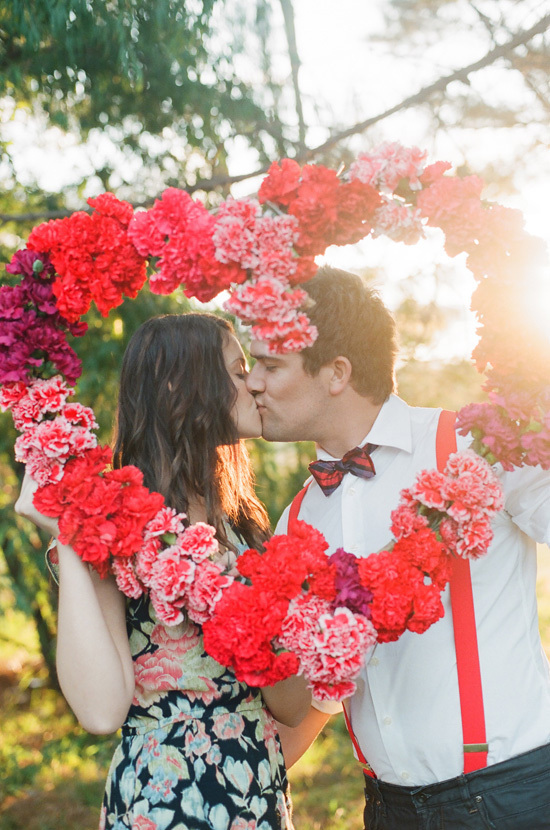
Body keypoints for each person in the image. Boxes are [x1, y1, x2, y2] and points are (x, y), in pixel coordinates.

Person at [246, 265, 550, 830]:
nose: (253, 383)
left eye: (270, 365)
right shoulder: (297, 521)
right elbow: (317, 694)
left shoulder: (475, 446)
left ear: (336, 372)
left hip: (516, 797)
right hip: (387, 811)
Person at [16, 312, 311, 830]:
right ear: (178, 386)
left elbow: (291, 705)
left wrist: (276, 629)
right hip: (166, 801)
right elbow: (101, 712)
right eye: (238, 371)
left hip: (254, 792)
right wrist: (67, 533)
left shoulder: (244, 528)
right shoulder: (117, 524)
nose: (253, 384)